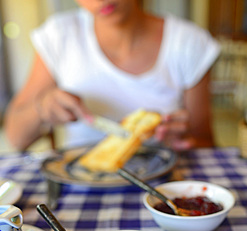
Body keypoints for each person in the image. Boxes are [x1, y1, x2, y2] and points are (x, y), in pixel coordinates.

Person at [3, 0, 220, 151]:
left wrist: (184, 141)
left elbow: (205, 142)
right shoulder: (59, 36)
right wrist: (42, 108)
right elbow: (15, 137)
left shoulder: (190, 43)